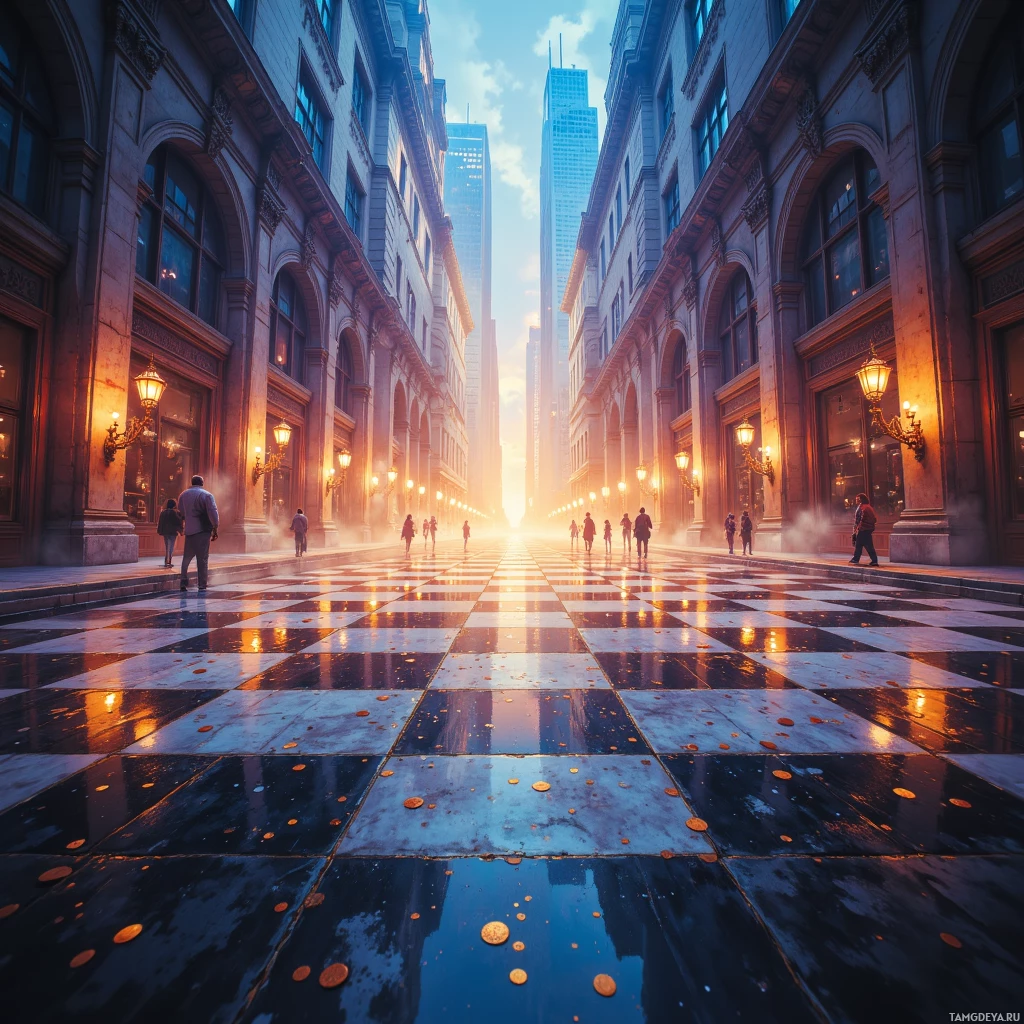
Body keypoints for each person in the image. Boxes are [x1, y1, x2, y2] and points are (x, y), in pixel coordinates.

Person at [178, 475, 218, 593]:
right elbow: (213, 512)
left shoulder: (183, 495)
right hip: (202, 530)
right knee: (202, 559)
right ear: (202, 483)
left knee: (186, 558)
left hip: (189, 530)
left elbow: (181, 511)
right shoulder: (206, 495)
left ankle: (183, 582)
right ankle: (201, 584)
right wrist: (215, 527)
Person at [851, 492, 879, 566]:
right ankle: (873, 560)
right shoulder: (866, 507)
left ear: (861, 499)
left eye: (857, 499)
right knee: (864, 544)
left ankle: (857, 559)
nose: (856, 501)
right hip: (866, 529)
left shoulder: (864, 507)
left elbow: (861, 519)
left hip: (864, 529)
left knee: (862, 544)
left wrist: (858, 528)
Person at [157, 498, 183, 568]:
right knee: (171, 546)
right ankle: (168, 561)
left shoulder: (163, 512)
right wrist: (181, 531)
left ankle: (167, 560)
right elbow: (178, 521)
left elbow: (160, 523)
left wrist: (160, 531)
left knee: (167, 546)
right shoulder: (174, 512)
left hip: (165, 532)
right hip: (172, 532)